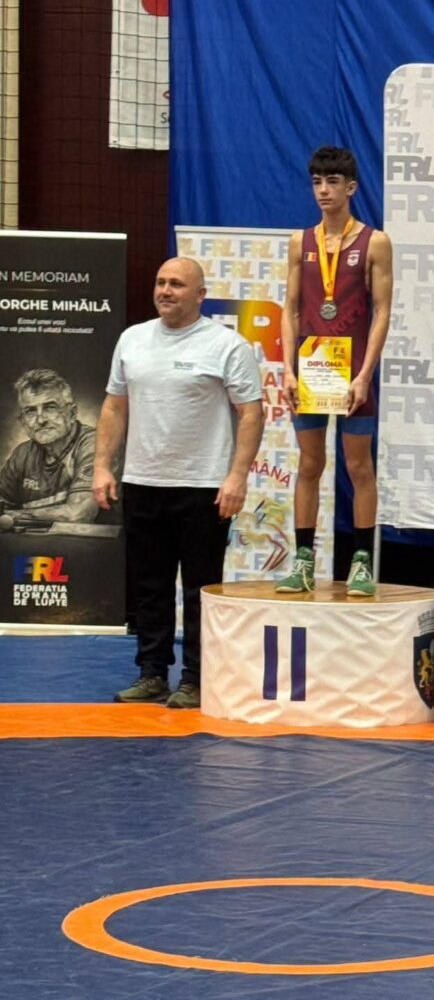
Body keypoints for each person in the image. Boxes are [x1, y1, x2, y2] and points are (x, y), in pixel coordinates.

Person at [93, 257, 264, 708]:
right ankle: (151, 674)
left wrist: (237, 476)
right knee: (149, 586)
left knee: (200, 589)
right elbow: (114, 406)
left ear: (200, 295)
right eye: (160, 282)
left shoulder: (227, 345)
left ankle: (196, 679)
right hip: (143, 481)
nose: (165, 291)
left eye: (177, 284)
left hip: (204, 485)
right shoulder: (132, 339)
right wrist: (102, 466)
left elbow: (251, 413)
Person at [274, 146, 393, 597]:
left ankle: (361, 562)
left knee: (358, 466)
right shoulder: (300, 242)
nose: (324, 191)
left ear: (351, 187)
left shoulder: (374, 242)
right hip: (310, 371)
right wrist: (287, 370)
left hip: (352, 372)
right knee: (310, 463)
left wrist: (365, 375)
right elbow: (290, 309)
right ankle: (303, 561)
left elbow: (382, 312)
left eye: (332, 182)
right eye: (317, 182)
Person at [0, 369, 99, 531]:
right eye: (30, 411)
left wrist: (11, 516)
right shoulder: (22, 455)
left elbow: (79, 514)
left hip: (91, 546)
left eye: (50, 408)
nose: (40, 420)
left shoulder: (94, 444)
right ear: (22, 420)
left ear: (72, 413)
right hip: (36, 546)